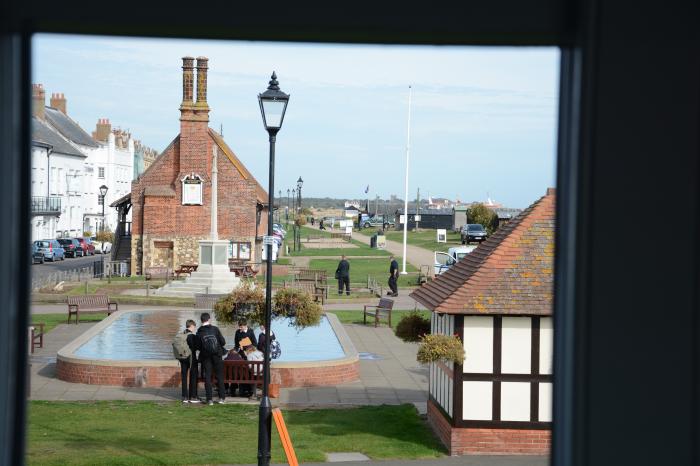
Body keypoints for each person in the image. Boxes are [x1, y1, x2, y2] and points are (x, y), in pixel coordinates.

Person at [196, 313, 227, 405]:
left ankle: (209, 399)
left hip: (206, 357)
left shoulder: (199, 331)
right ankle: (221, 398)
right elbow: (223, 342)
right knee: (220, 377)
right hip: (217, 355)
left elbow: (198, 346)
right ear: (209, 319)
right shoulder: (215, 329)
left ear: (201, 320)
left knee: (208, 378)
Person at [179, 319, 201, 403]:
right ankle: (193, 396)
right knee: (193, 377)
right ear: (191, 326)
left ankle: (184, 396)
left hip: (182, 358)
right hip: (191, 358)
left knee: (184, 377)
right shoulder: (191, 336)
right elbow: (195, 347)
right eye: (194, 327)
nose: (194, 328)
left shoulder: (181, 334)